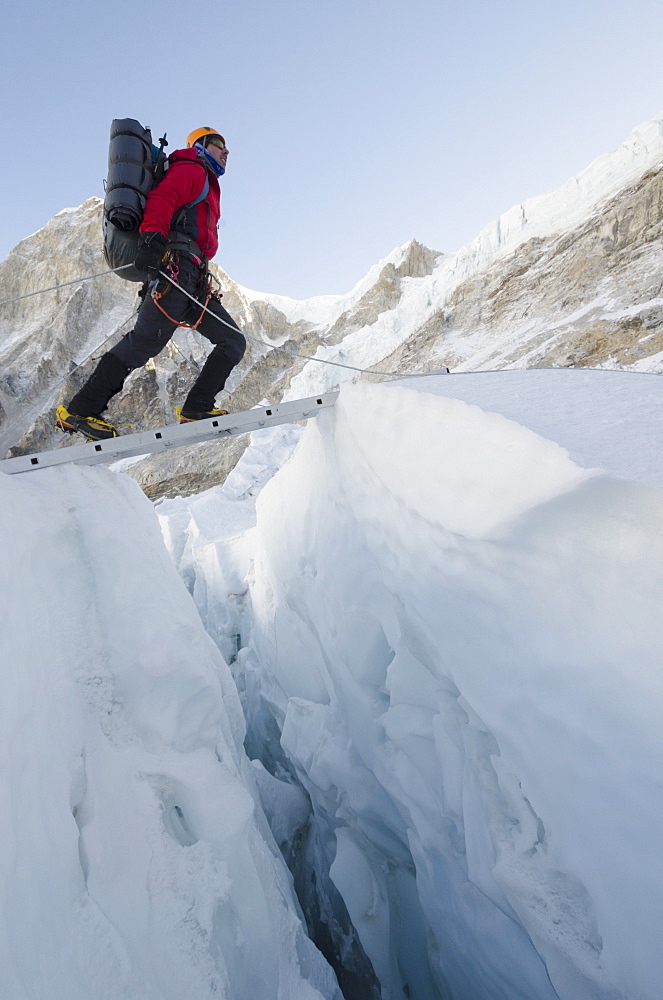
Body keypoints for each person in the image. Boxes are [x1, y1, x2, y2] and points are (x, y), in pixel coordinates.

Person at [56, 126, 246, 441]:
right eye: (217, 144)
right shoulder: (193, 170)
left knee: (232, 341)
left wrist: (201, 274)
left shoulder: (206, 180)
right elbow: (163, 197)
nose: (225, 151)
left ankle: (197, 407)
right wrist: (152, 239)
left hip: (192, 277)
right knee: (144, 343)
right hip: (176, 272)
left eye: (227, 147)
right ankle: (80, 410)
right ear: (199, 146)